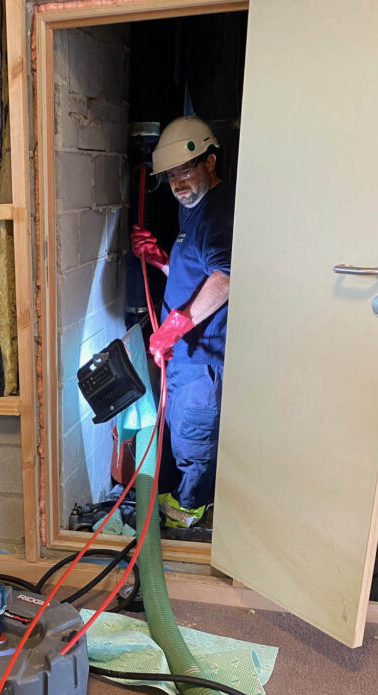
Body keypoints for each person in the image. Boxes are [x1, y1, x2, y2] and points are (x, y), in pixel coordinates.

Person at [131, 115, 235, 527]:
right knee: (182, 433)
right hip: (186, 356)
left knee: (194, 437)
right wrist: (159, 258)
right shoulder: (194, 209)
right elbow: (195, 274)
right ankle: (183, 502)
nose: (178, 183)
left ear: (210, 162)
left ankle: (189, 515)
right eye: (171, 175)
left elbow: (225, 277)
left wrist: (173, 329)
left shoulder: (217, 213)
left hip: (203, 357)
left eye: (185, 170)